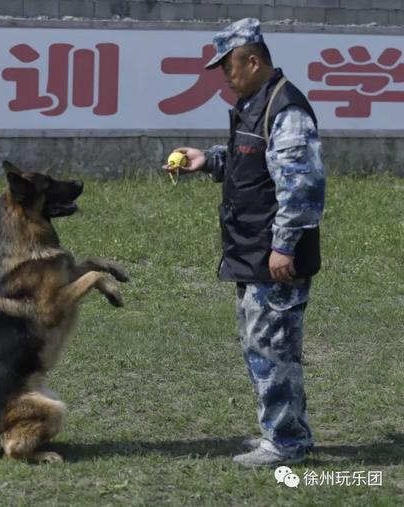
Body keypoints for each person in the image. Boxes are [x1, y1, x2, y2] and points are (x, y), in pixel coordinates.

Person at [167, 18, 326, 467]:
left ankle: (286, 443)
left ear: (253, 61)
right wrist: (207, 160)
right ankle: (282, 433)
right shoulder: (257, 104)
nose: (224, 76)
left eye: (229, 67)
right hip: (253, 250)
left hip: (272, 255)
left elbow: (301, 187)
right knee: (264, 344)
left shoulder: (286, 109)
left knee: (272, 346)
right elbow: (251, 165)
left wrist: (285, 247)